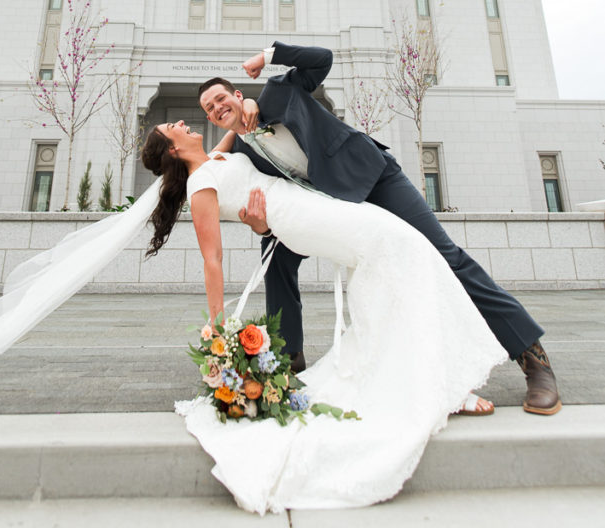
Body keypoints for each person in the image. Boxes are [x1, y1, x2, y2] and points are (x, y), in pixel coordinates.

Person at [141, 119, 507, 513]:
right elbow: (212, 258)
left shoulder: (213, 158)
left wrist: (237, 113)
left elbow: (232, 131)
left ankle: (427, 374)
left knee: (392, 258)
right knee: (401, 245)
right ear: (173, 150)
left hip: (305, 199)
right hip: (297, 217)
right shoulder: (199, 184)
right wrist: (218, 326)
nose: (183, 122)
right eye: (173, 126)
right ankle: (435, 385)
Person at [198, 41, 561, 417]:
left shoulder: (277, 92)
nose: (217, 107)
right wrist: (261, 227)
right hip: (330, 208)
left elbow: (323, 61)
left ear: (237, 95)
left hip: (371, 177)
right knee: (275, 258)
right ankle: (287, 364)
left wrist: (269, 56)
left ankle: (533, 359)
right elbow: (254, 190)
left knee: (445, 257)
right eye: (209, 108)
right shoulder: (240, 153)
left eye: (221, 98)